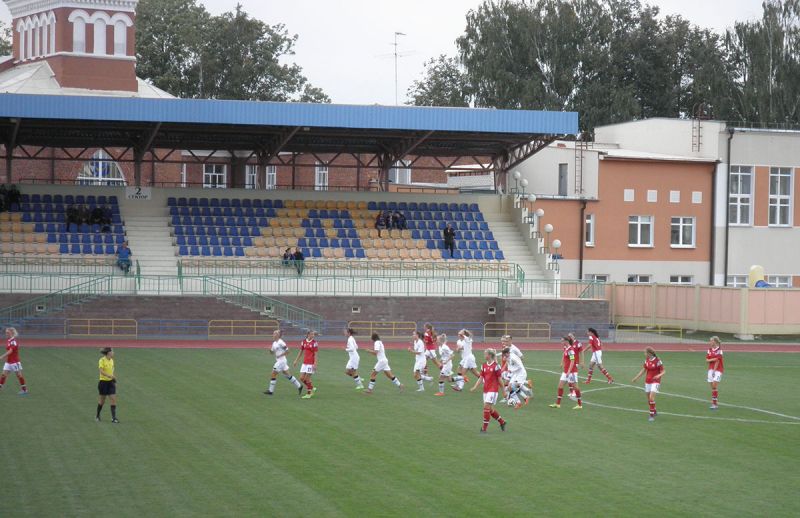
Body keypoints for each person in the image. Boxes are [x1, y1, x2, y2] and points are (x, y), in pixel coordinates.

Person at [470, 348, 507, 433]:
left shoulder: (496, 366)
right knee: (490, 410)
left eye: (485, 354)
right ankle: (502, 422)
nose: (484, 355)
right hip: (486, 390)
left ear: (489, 355)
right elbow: (481, 377)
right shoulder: (483, 365)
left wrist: (504, 391)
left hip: (493, 390)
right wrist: (475, 387)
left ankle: (484, 428)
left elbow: (500, 379)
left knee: (486, 407)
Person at [264, 330, 303, 396]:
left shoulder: (281, 342)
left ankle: (270, 391)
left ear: (278, 335)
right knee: (287, 375)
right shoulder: (274, 343)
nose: (273, 334)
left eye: (275, 333)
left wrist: (280, 355)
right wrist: (270, 350)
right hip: (280, 361)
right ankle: (299, 386)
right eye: (273, 333)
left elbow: (288, 351)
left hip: (281, 361)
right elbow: (272, 352)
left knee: (273, 374)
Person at [549, 336, 582, 410]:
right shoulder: (566, 349)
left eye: (562, 341)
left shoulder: (570, 350)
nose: (561, 342)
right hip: (565, 372)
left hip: (572, 372)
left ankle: (579, 404)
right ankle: (558, 404)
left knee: (576, 387)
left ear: (566, 341)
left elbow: (572, 361)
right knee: (560, 386)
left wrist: (569, 371)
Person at [632, 347, 665, 422]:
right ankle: (654, 410)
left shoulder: (658, 361)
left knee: (651, 398)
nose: (644, 354)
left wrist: (658, 375)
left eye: (645, 352)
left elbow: (663, 371)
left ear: (649, 353)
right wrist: (636, 377)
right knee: (649, 399)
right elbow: (643, 370)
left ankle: (651, 415)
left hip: (655, 381)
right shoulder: (646, 360)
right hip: (648, 381)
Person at [0, 327, 28, 396]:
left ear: (12, 333)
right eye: (6, 332)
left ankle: (24, 390)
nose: (6, 334)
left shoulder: (13, 341)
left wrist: (2, 356)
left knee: (19, 375)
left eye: (8, 332)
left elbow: (10, 351)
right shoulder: (9, 340)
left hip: (15, 362)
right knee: (3, 375)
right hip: (8, 362)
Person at [293, 330, 319, 399]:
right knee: (301, 378)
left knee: (307, 378)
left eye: (313, 334)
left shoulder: (314, 343)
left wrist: (315, 363)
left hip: (311, 363)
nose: (313, 335)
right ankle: (311, 388)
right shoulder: (303, 342)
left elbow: (316, 354)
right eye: (312, 334)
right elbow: (300, 351)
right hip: (304, 363)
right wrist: (296, 360)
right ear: (308, 335)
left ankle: (309, 393)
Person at [96, 347, 118, 422]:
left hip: (111, 383)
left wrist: (114, 380)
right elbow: (101, 371)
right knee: (102, 401)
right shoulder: (101, 360)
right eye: (112, 351)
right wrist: (109, 376)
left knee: (113, 400)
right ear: (108, 353)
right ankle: (97, 415)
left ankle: (113, 418)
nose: (113, 353)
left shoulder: (112, 360)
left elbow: (111, 371)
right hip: (103, 383)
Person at [706, 336, 724, 410]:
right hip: (710, 369)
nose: (710, 342)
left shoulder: (719, 350)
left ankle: (715, 404)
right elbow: (707, 360)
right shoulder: (709, 350)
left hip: (718, 370)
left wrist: (714, 370)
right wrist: (713, 359)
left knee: (714, 385)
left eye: (711, 341)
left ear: (715, 342)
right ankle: (714, 403)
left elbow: (718, 361)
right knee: (713, 387)